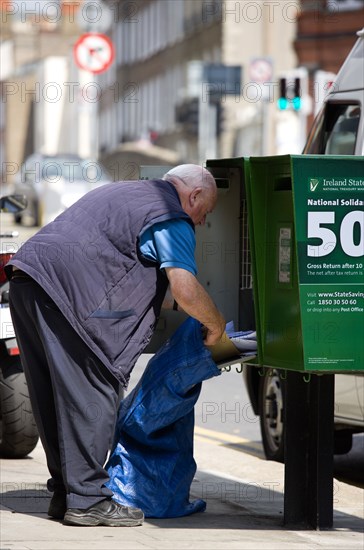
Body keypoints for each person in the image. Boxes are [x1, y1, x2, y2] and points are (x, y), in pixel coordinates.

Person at [6, 164, 226, 527]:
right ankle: (89, 500)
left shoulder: (125, 193)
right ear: (195, 196)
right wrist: (215, 325)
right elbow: (185, 290)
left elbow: (134, 274)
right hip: (73, 298)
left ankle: (67, 493)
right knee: (93, 391)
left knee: (52, 397)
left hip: (28, 280)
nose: (202, 221)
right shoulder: (171, 215)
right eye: (207, 212)